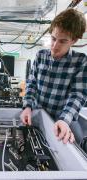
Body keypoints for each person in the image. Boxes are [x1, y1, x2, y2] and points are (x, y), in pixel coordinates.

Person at [21, 8, 87, 144]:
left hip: (61, 118)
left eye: (62, 41)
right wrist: (27, 106)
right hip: (38, 114)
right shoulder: (40, 56)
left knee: (75, 146)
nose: (55, 46)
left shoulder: (80, 61)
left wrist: (64, 120)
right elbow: (32, 83)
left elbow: (78, 94)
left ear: (73, 41)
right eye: (53, 38)